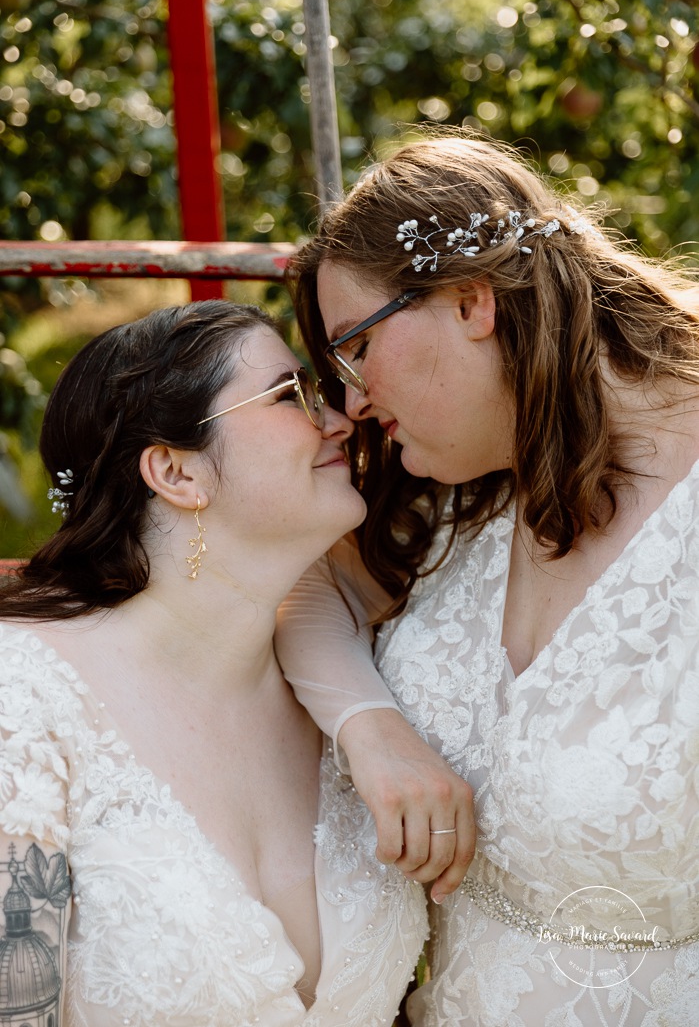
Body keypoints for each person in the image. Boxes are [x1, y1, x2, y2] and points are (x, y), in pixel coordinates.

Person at [276, 133, 699, 1025]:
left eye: (355, 350)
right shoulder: (457, 489)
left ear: (471, 302)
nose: (349, 403)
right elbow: (305, 590)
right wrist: (372, 725)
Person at [0, 299, 430, 1027]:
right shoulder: (25, 704)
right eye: (289, 394)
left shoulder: (361, 674)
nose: (338, 418)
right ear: (175, 472)